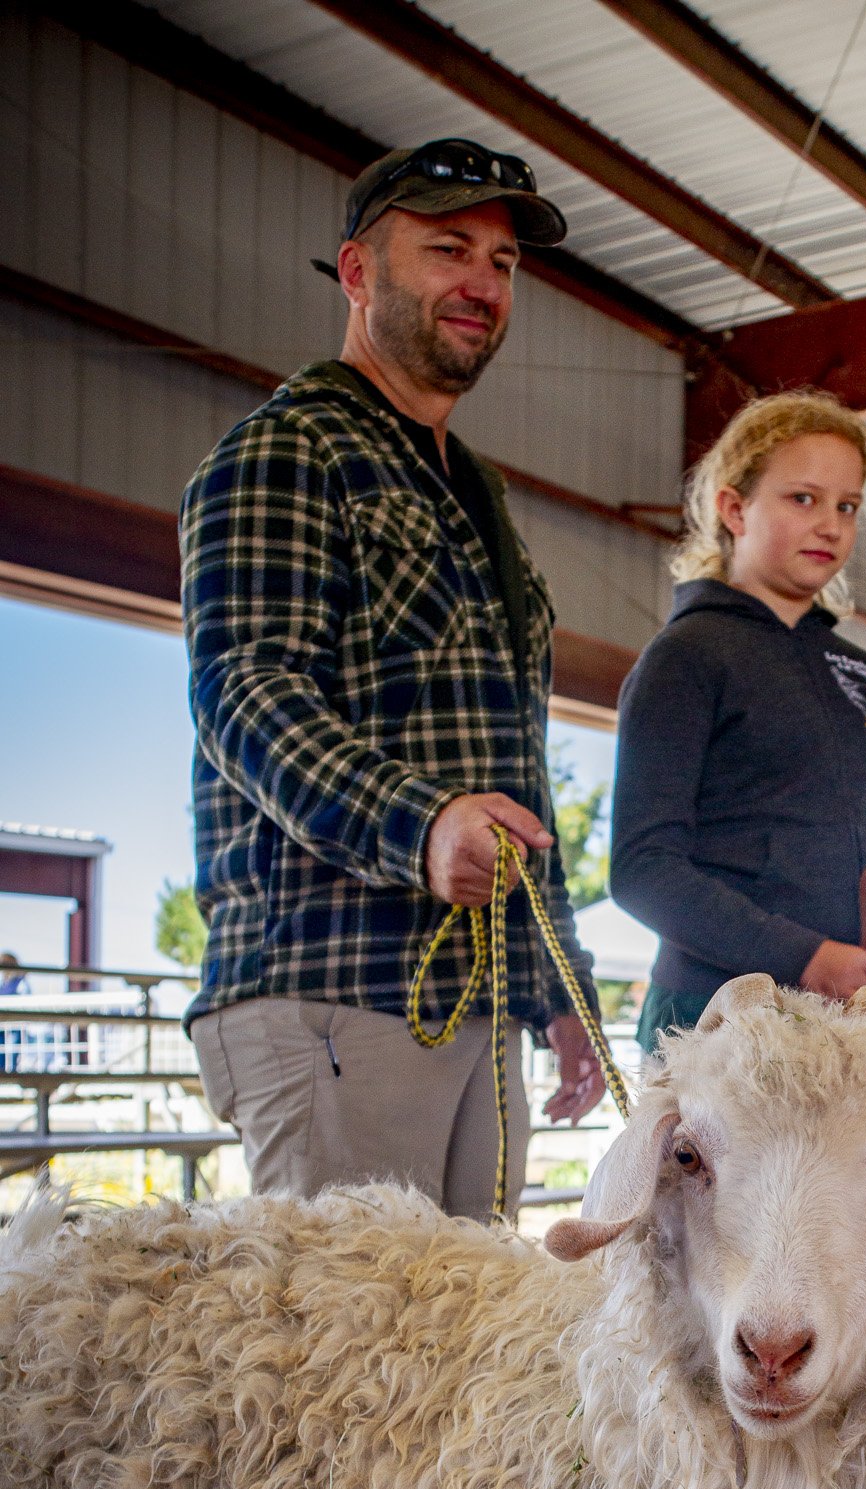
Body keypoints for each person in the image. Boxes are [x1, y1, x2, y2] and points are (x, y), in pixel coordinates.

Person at [180, 140, 604, 1220]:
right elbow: (245, 693)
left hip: (478, 1000)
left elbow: (510, 769)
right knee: (341, 1367)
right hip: (333, 987)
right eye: (448, 248)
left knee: (460, 1363)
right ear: (359, 272)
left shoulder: (477, 502)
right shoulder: (287, 452)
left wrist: (558, 989)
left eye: (503, 262)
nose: (481, 282)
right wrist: (421, 826)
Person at [608, 391, 866, 1050]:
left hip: (851, 1014)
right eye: (803, 499)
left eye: (847, 506)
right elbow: (643, 869)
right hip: (717, 1015)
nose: (830, 525)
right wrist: (806, 958)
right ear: (734, 508)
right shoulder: (687, 654)